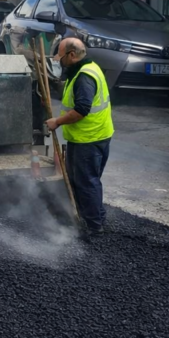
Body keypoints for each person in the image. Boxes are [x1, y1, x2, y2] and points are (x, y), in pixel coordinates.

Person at [46, 37, 114, 235]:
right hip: (90, 136)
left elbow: (82, 109)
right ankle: (94, 217)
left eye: (61, 57)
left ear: (72, 55)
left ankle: (93, 227)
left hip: (89, 139)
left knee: (86, 182)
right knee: (83, 179)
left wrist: (57, 122)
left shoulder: (84, 77)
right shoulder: (89, 67)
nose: (58, 61)